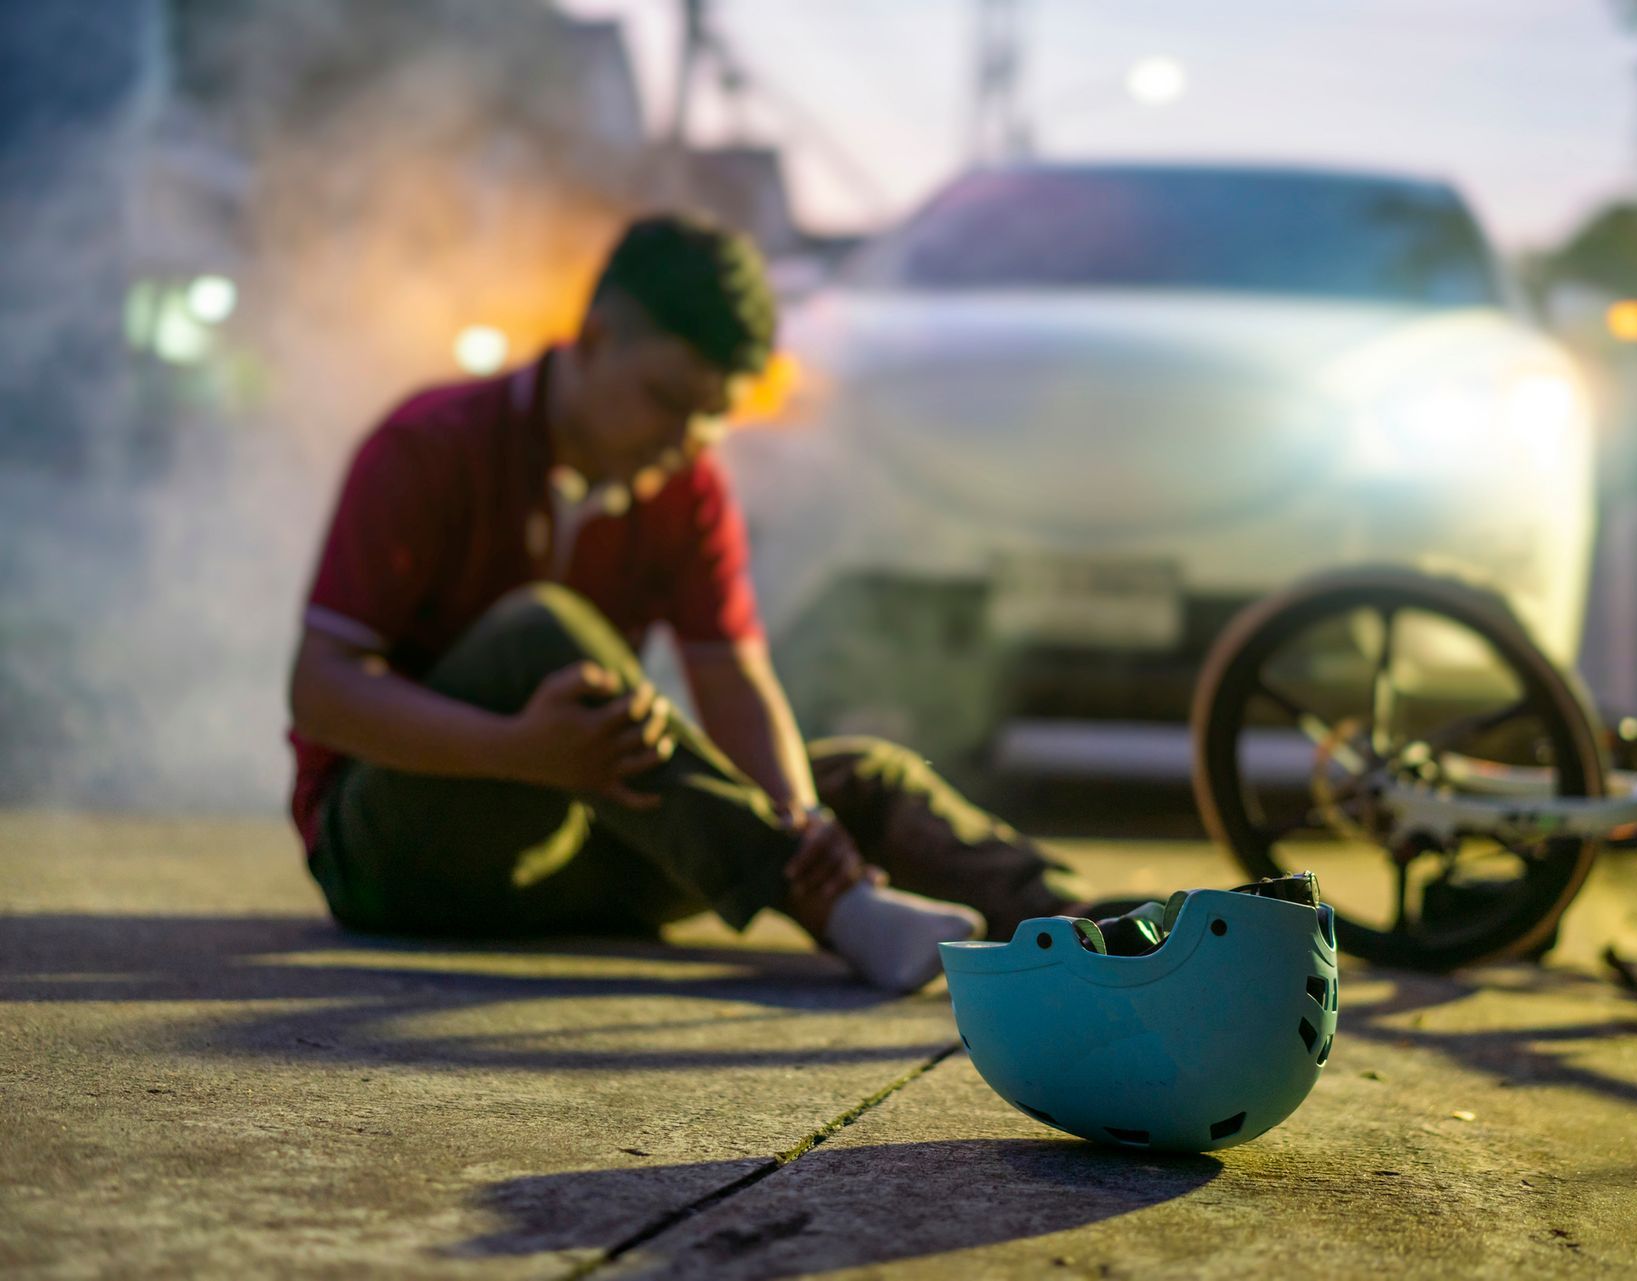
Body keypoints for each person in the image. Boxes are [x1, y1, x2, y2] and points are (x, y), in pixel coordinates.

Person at [286, 213, 1089, 992]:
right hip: (397, 861)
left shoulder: (686, 484)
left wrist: (804, 826)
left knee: (855, 781)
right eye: (668, 398)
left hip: (577, 866)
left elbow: (734, 682)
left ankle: (1100, 935)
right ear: (595, 339)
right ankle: (837, 905)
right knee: (542, 629)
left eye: (713, 415)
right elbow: (320, 691)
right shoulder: (430, 444)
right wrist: (516, 749)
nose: (689, 437)